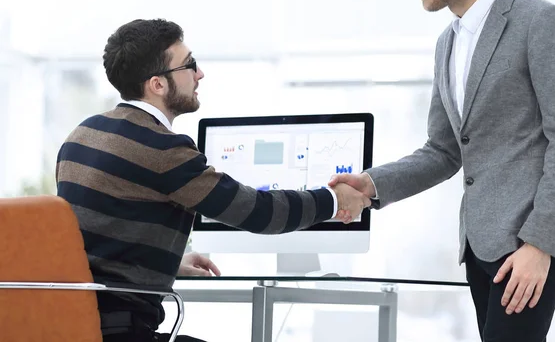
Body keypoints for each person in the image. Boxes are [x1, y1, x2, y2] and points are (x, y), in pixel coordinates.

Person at [329, 0, 555, 342]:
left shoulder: (539, 22)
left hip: (531, 240)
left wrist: (540, 244)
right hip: (479, 243)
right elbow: (444, 150)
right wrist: (371, 187)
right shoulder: (447, 43)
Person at [55, 18, 369, 342]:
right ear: (157, 84)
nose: (199, 74)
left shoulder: (81, 135)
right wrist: (334, 200)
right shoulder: (163, 150)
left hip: (70, 328)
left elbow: (90, 240)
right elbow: (258, 212)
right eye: (189, 65)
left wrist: (166, 263)